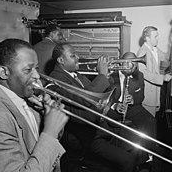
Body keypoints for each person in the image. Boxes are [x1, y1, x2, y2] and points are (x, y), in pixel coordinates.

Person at [48, 43, 141, 172]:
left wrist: (107, 76)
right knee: (128, 160)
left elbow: (102, 95)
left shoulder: (77, 74)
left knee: (138, 143)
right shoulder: (56, 78)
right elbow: (85, 99)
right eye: (73, 55)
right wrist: (101, 75)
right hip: (86, 135)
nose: (78, 57)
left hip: (99, 126)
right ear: (61, 60)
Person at [0, 38, 68, 172]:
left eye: (36, 68)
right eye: (28, 70)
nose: (37, 76)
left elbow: (45, 141)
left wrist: (48, 119)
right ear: (4, 72)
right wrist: (50, 131)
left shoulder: (24, 95)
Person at [102, 52, 157, 164]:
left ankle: (149, 153)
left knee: (150, 121)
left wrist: (133, 99)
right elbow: (104, 98)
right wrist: (115, 105)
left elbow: (141, 97)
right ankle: (122, 155)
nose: (130, 66)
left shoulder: (139, 75)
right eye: (126, 63)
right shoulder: (111, 76)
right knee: (117, 126)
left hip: (133, 107)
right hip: (113, 107)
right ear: (120, 62)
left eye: (133, 63)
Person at [137, 26, 172, 117]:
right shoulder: (142, 52)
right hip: (148, 94)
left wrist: (170, 44)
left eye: (158, 36)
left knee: (153, 120)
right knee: (149, 122)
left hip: (155, 92)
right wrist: (162, 78)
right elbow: (143, 73)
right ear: (147, 38)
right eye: (155, 36)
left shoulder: (155, 49)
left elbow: (166, 57)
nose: (158, 38)